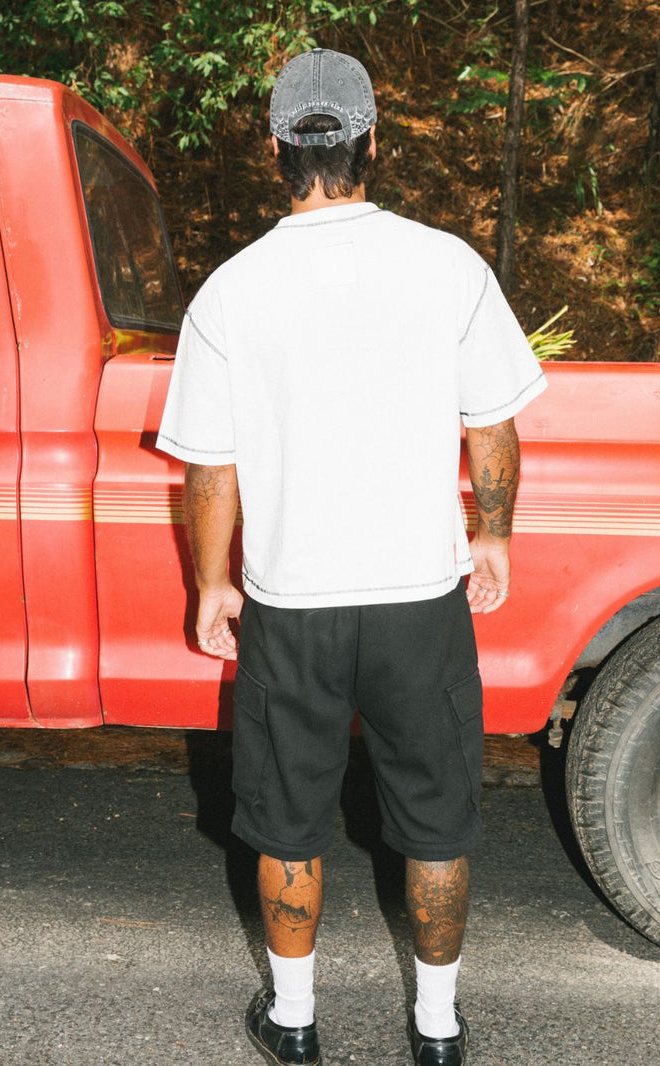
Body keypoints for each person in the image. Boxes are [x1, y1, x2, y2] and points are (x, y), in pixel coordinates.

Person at [157, 47, 546, 1066]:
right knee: (436, 818)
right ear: (371, 139)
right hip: (420, 595)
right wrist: (492, 532)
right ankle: (435, 1026)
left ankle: (292, 1021)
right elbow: (491, 425)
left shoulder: (230, 291)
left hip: (291, 599)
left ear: (277, 146)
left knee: (287, 817)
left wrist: (208, 583)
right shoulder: (447, 264)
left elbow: (208, 465)